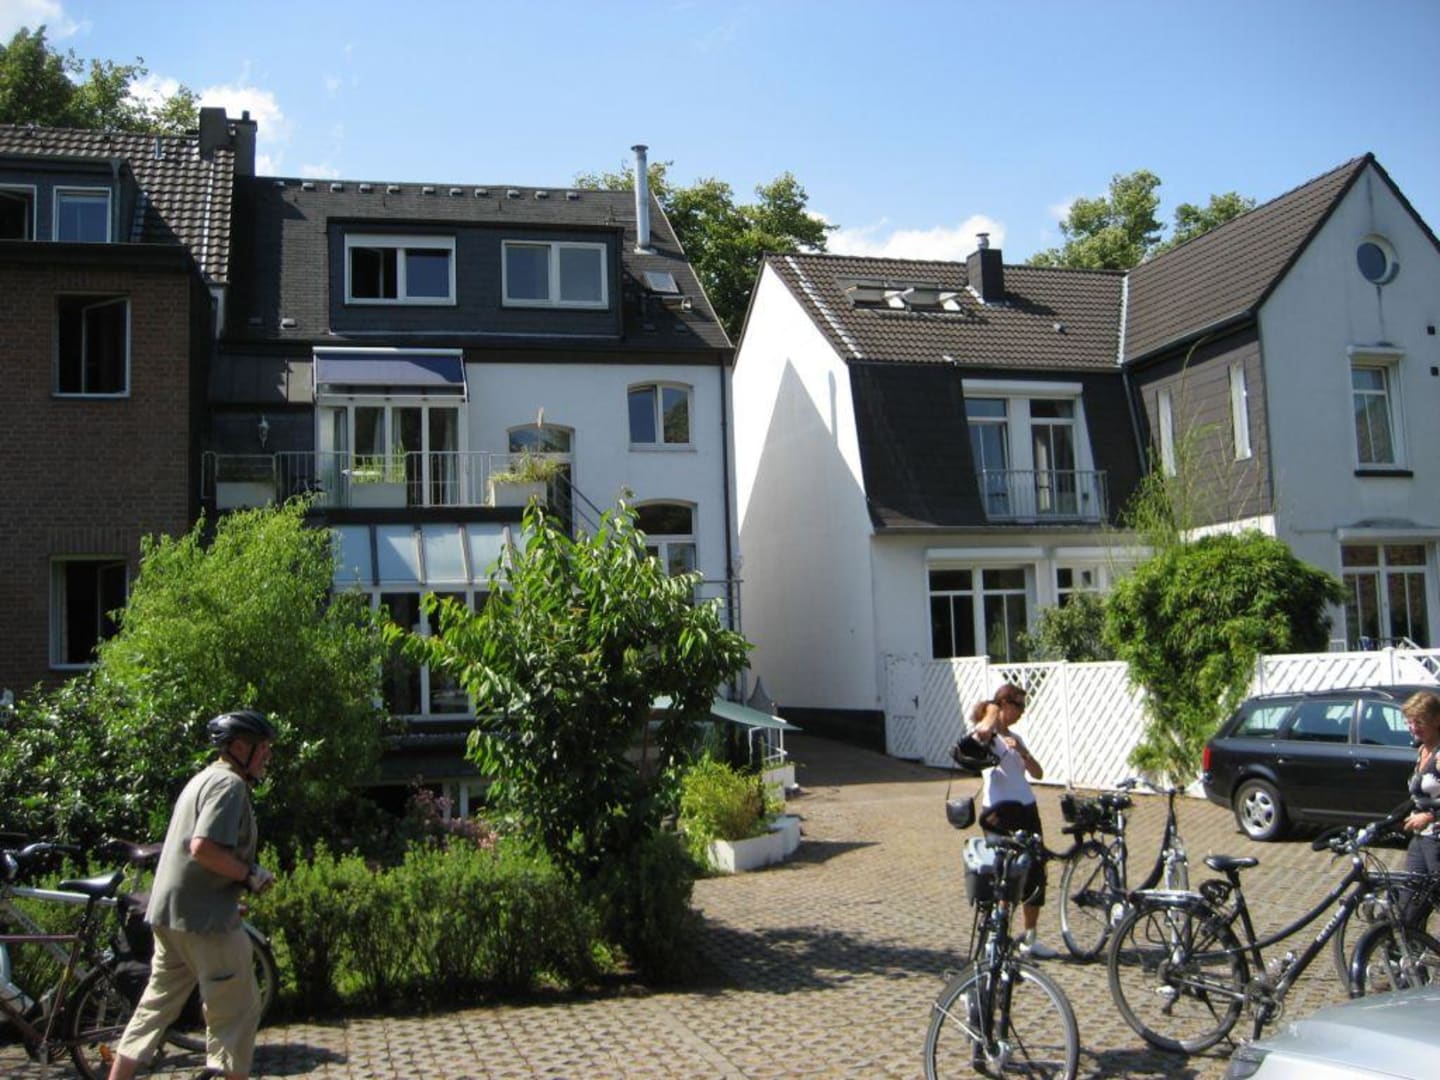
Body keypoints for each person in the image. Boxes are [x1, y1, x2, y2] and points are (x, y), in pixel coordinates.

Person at [109, 710, 277, 1080]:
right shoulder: (229, 785)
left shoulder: (202, 779)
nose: (268, 754)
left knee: (152, 1011)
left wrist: (229, 890)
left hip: (170, 917)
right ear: (239, 747)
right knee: (237, 1012)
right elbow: (203, 848)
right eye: (262, 746)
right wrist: (250, 875)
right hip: (205, 924)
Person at [969, 682, 1057, 959]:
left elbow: (1038, 773)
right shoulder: (987, 737)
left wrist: (1022, 751)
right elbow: (982, 730)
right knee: (1004, 874)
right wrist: (992, 709)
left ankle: (1030, 939)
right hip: (999, 814)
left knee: (1036, 871)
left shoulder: (1015, 738)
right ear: (1004, 705)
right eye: (1018, 705)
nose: (1022, 712)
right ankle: (997, 937)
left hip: (1026, 810)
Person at [1399, 690, 1440, 928]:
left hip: (1437, 840)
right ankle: (1412, 949)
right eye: (1410, 722)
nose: (1414, 728)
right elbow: (1418, 795)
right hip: (1421, 838)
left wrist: (1430, 816)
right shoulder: (1422, 750)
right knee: (1411, 904)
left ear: (1437, 720)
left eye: (1420, 722)